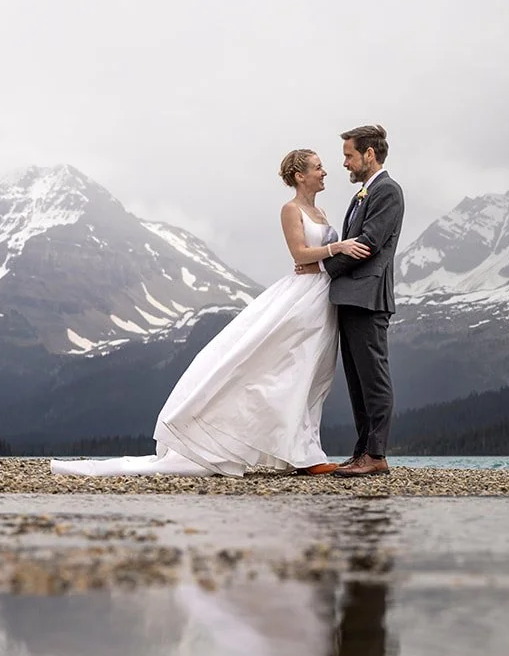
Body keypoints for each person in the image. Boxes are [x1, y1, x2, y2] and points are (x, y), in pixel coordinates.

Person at [50, 147, 370, 478]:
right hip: (302, 299)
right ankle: (297, 453)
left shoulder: (322, 213)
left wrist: (332, 254)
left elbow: (314, 259)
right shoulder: (291, 210)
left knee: (314, 374)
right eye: (318, 168)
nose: (324, 172)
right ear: (300, 176)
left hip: (322, 299)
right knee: (288, 371)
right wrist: (338, 247)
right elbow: (299, 253)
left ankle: (299, 449)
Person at [302, 125, 405, 477]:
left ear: (369, 155)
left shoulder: (387, 191)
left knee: (373, 378)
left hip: (368, 296)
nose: (344, 163)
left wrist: (321, 268)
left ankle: (376, 455)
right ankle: (363, 451)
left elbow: (368, 244)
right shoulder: (363, 193)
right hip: (350, 298)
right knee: (358, 380)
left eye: (349, 155)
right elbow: (354, 243)